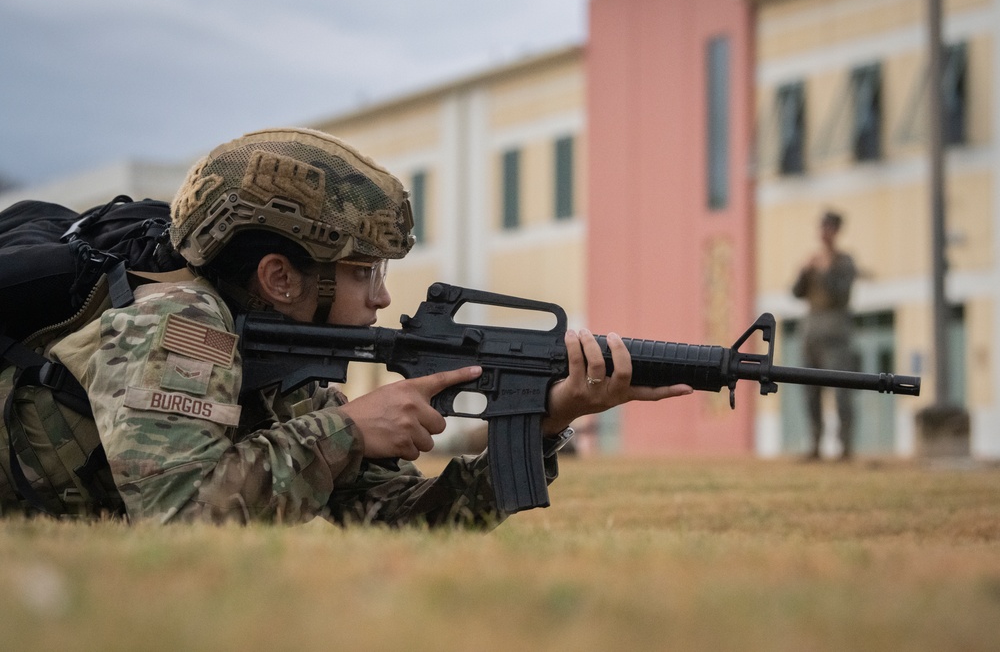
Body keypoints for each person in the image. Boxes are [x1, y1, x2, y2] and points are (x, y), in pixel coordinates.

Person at [49, 127, 693, 526]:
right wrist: (348, 428)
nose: (383, 298)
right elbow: (181, 516)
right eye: (364, 274)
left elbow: (403, 518)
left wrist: (549, 419)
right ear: (280, 278)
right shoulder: (178, 324)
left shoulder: (287, 365)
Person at [791, 210, 858, 460]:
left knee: (842, 391)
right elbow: (796, 293)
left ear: (837, 230)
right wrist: (804, 270)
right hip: (811, 333)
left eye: (829, 227)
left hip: (836, 334)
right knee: (810, 392)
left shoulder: (844, 262)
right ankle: (815, 444)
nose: (824, 232)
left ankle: (845, 446)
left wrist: (827, 271)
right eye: (822, 227)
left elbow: (841, 295)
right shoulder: (813, 260)